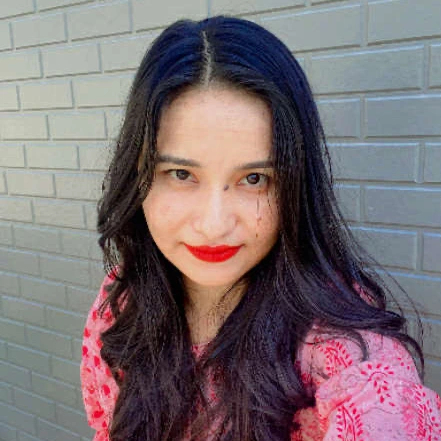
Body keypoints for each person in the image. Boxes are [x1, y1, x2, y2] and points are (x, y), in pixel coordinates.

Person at [80, 15, 441, 441]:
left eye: (254, 179)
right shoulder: (122, 300)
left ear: (294, 185)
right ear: (137, 173)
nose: (214, 225)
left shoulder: (339, 346)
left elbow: (384, 411)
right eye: (181, 174)